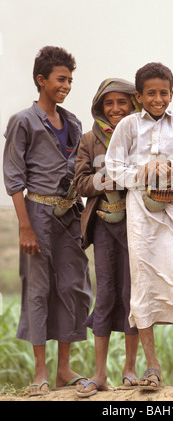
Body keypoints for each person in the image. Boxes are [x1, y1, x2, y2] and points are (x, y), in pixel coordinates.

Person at [105, 62, 173, 390]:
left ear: (171, 93)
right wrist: (142, 172)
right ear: (138, 96)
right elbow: (112, 166)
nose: (157, 98)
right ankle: (152, 368)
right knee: (144, 286)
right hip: (139, 213)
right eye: (150, 93)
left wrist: (170, 167)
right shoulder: (127, 126)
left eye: (163, 92)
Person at [3, 46, 93, 396]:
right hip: (37, 214)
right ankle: (41, 371)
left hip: (69, 215)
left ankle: (63, 368)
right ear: (41, 80)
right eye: (60, 79)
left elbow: (79, 172)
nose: (66, 85)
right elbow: (14, 177)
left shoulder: (72, 122)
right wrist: (25, 226)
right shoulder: (23, 121)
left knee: (73, 286)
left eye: (70, 80)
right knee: (38, 291)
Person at [74, 78, 140, 398]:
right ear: (100, 107)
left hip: (136, 228)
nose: (115, 109)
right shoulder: (89, 139)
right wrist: (108, 176)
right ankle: (99, 374)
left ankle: (130, 370)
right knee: (106, 296)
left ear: (133, 105)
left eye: (122, 103)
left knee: (132, 297)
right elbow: (81, 184)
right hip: (102, 226)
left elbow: (149, 177)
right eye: (108, 104)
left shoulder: (141, 135)